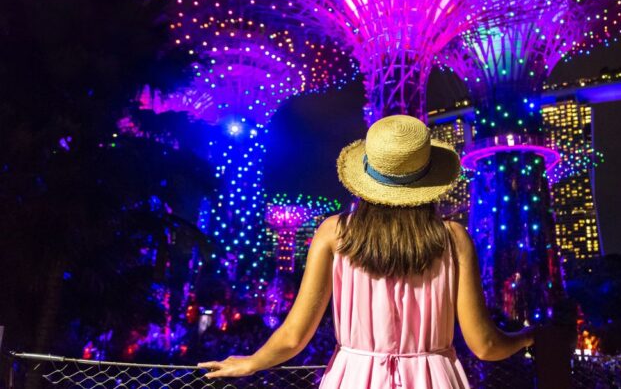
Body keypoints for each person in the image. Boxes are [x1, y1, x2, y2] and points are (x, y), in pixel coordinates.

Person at [198, 114, 535, 388]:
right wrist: (529, 337)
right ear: (429, 181)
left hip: (355, 378)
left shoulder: (334, 233)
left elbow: (294, 335)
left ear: (368, 178)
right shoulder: (454, 239)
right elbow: (485, 345)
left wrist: (253, 362)